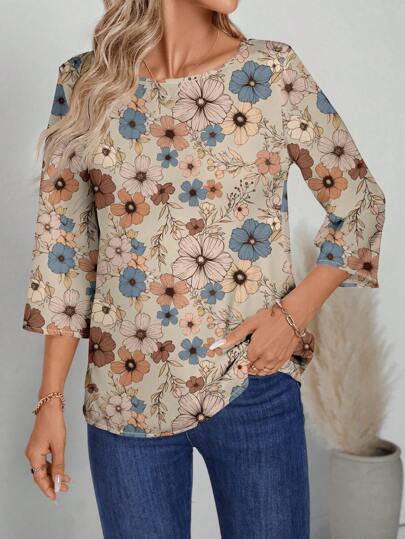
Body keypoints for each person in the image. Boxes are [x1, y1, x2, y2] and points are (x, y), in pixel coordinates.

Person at [22, 1, 386, 537]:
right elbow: (66, 252)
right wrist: (49, 400)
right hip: (124, 397)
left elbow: (360, 204)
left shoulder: (269, 72)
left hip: (251, 383)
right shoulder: (86, 83)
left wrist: (291, 318)